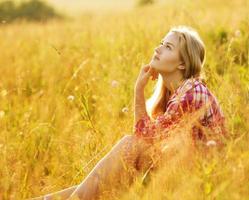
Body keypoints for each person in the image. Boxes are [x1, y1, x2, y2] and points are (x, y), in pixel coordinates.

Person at [30, 25, 226, 200]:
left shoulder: (194, 92)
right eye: (161, 43)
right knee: (108, 180)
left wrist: (138, 90)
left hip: (205, 179)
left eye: (168, 47)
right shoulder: (176, 94)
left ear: (182, 64)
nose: (157, 49)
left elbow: (144, 137)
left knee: (129, 146)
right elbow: (150, 142)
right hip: (182, 172)